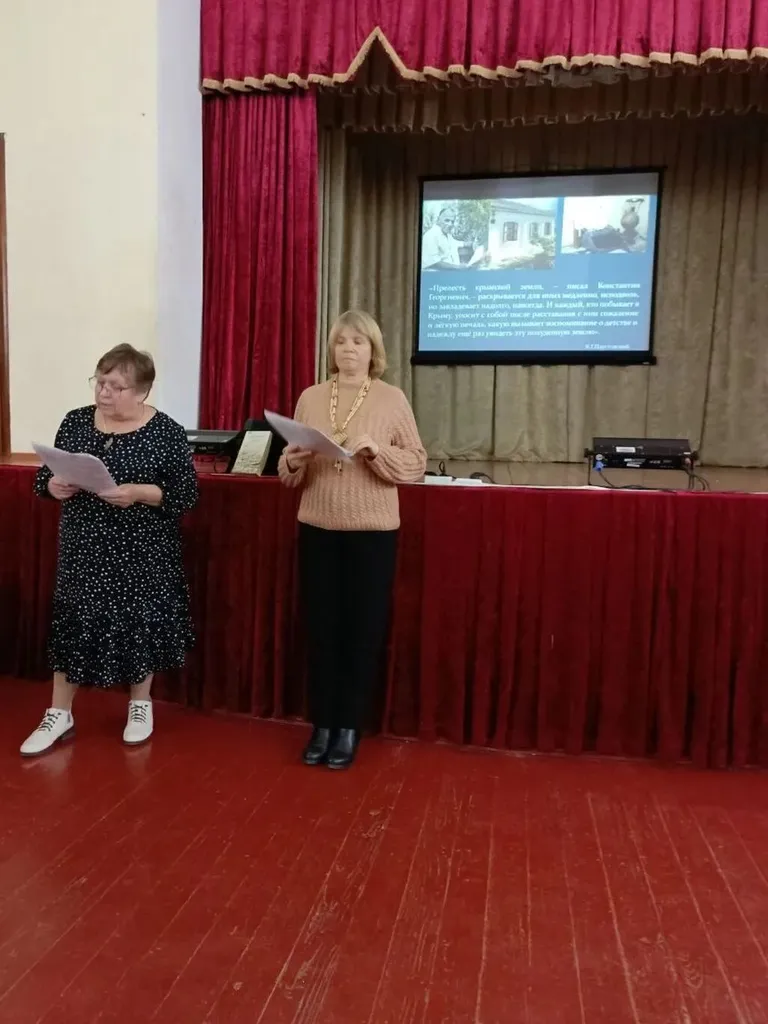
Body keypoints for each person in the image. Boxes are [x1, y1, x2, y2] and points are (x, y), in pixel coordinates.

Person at [20, 344, 198, 756]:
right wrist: (52, 485)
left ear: (142, 392)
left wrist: (138, 493)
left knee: (138, 622)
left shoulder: (166, 431)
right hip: (84, 546)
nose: (103, 392)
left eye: (116, 387)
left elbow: (185, 494)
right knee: (73, 623)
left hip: (143, 549)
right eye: (100, 382)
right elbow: (45, 475)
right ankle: (59, 713)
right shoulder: (76, 421)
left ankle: (140, 704)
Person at [278, 310, 427, 769]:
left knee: (361, 632)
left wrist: (377, 452)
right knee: (322, 631)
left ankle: (348, 727)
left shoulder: (391, 398)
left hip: (372, 534)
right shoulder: (310, 397)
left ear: (373, 350)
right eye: (341, 341)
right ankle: (322, 724)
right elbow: (288, 473)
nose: (348, 350)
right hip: (318, 527)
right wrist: (294, 459)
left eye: (358, 342)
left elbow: (416, 463)